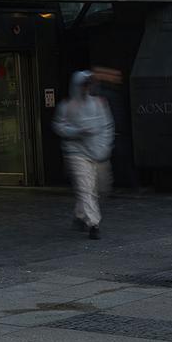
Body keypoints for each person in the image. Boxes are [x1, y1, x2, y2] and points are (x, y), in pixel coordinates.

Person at [53, 71, 115, 240]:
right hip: (77, 153)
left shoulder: (99, 104)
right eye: (84, 84)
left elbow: (107, 125)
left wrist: (104, 147)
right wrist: (77, 132)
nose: (87, 88)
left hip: (97, 151)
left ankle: (81, 215)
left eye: (89, 84)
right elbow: (59, 126)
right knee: (86, 187)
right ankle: (93, 223)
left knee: (99, 189)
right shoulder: (67, 106)